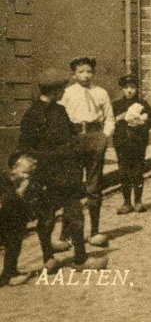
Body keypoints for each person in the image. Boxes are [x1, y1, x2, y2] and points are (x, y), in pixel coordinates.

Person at [18, 69, 107, 275]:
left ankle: (69, 258)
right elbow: (25, 148)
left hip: (62, 173)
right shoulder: (35, 115)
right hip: (50, 174)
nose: (64, 92)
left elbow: (71, 136)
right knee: (54, 216)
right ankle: (56, 258)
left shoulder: (56, 110)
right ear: (54, 90)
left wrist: (74, 147)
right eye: (62, 89)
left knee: (67, 214)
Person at [59, 57, 114, 248]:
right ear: (74, 74)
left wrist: (104, 138)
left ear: (93, 73)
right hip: (74, 139)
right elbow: (61, 118)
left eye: (89, 71)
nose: (85, 75)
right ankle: (66, 234)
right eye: (81, 72)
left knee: (94, 186)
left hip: (94, 137)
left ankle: (95, 231)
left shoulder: (100, 93)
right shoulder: (67, 93)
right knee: (72, 186)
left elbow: (109, 118)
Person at [112, 75, 151, 214]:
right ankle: (126, 202)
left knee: (137, 170)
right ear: (122, 89)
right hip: (122, 143)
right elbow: (109, 121)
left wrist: (142, 122)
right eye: (126, 87)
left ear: (137, 88)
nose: (129, 90)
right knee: (123, 172)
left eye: (132, 87)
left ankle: (138, 201)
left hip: (138, 143)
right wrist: (119, 117)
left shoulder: (143, 104)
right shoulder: (116, 105)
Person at [0, 153, 35, 286]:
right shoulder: (5, 180)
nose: (27, 176)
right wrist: (22, 189)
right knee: (13, 242)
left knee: (14, 242)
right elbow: (10, 200)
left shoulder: (9, 179)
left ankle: (11, 272)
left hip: (9, 215)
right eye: (25, 173)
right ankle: (9, 275)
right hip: (6, 216)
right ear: (14, 168)